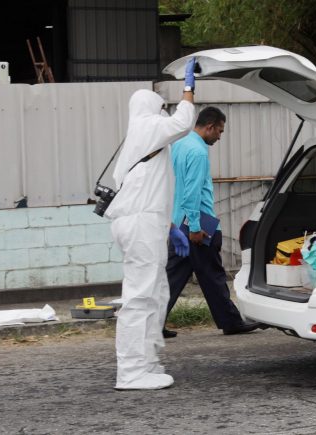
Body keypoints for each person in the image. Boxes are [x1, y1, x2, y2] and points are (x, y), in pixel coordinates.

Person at [104, 58, 197, 390]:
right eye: (162, 108)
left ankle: (149, 363)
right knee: (141, 296)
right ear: (152, 108)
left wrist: (168, 226)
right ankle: (130, 372)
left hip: (147, 223)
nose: (164, 113)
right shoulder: (147, 126)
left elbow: (147, 187)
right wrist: (188, 88)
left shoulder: (141, 138)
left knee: (155, 294)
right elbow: (184, 122)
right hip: (141, 224)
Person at [164, 107, 261, 337]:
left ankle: (151, 322)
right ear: (209, 127)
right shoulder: (198, 152)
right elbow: (192, 192)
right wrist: (196, 228)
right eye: (219, 131)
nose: (219, 136)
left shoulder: (179, 144)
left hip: (178, 222)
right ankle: (231, 321)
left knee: (172, 277)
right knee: (213, 275)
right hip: (199, 223)